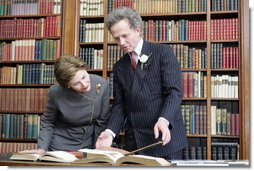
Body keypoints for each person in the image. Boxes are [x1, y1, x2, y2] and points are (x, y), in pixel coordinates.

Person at [95, 7, 188, 160]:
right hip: (136, 142)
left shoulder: (162, 52)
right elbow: (120, 105)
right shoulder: (119, 66)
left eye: (125, 36)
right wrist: (109, 132)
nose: (122, 43)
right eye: (116, 38)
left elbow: (174, 92)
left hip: (163, 136)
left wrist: (164, 119)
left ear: (138, 30)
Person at [22, 55, 110, 153]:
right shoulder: (55, 92)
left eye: (84, 77)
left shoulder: (102, 84)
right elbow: (48, 122)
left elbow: (101, 122)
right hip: (59, 145)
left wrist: (98, 150)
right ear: (67, 85)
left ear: (84, 68)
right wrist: (42, 149)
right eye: (76, 84)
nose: (84, 84)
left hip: (88, 144)